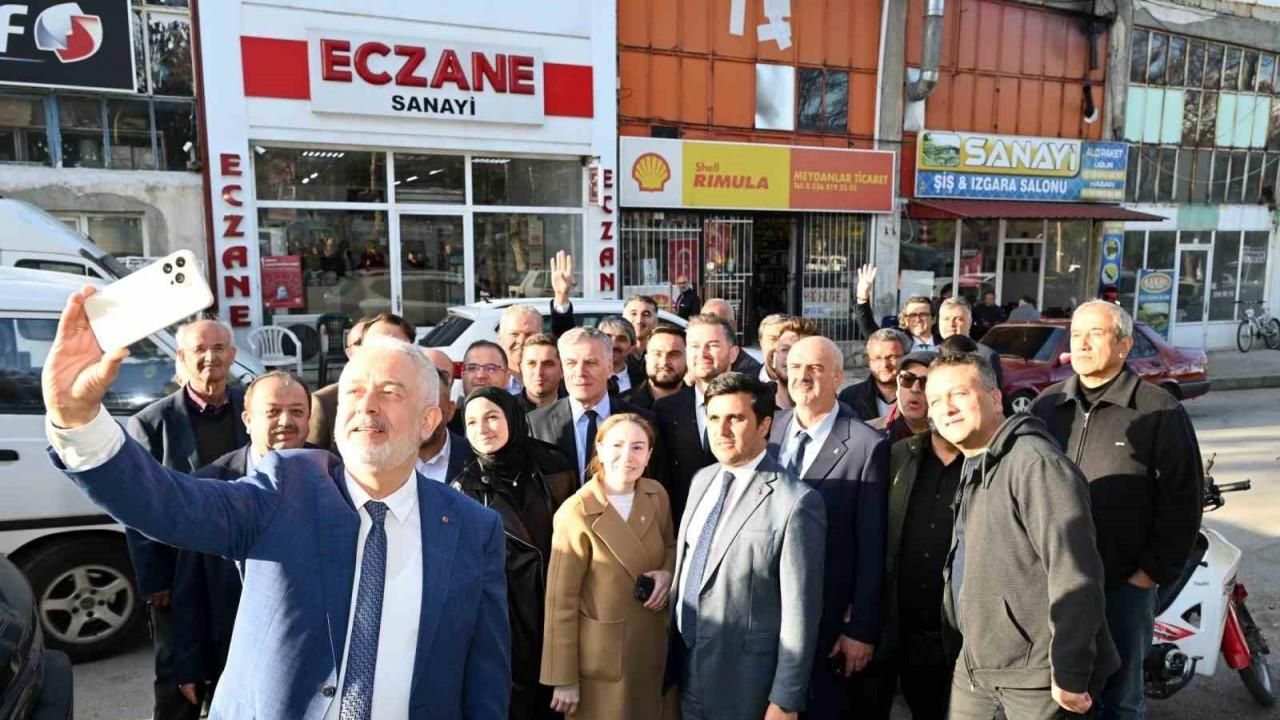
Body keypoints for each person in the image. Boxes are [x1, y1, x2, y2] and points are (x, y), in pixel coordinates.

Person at [43, 287, 512, 719]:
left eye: (389, 392)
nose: (366, 405)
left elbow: (485, 677)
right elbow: (168, 505)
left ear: (429, 420)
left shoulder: (474, 528)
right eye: (354, 390)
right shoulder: (285, 487)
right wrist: (78, 420)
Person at [1029, 301, 1203, 720]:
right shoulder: (1047, 405)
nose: (1082, 343)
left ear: (1124, 345)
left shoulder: (1158, 409)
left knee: (1121, 699)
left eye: (1096, 333)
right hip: (1055, 586)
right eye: (1076, 335)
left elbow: (1183, 501)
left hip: (1123, 588)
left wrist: (1149, 574)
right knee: (1057, 694)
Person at [926, 352, 1119, 720]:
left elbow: (1075, 573)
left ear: (995, 398)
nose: (946, 409)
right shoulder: (976, 460)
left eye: (959, 394)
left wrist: (1070, 670)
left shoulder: (1036, 464)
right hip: (975, 667)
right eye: (935, 401)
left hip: (1034, 678)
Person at [666, 372, 826, 720]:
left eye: (735, 419)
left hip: (747, 684)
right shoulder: (702, 480)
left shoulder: (796, 502)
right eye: (713, 418)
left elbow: (801, 613)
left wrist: (786, 699)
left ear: (764, 425)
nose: (721, 431)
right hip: (685, 667)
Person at [122, 318, 248, 720]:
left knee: (240, 669)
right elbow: (138, 506)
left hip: (241, 567)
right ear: (181, 357)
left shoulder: (252, 408)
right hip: (179, 571)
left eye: (219, 348)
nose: (210, 357)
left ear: (232, 355)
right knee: (179, 680)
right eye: (199, 349)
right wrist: (154, 578)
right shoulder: (151, 423)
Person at [172, 371, 315, 711]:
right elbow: (191, 583)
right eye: (273, 411)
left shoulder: (335, 476)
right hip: (233, 654)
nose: (286, 421)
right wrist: (190, 663)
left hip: (311, 658)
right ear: (248, 420)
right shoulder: (211, 484)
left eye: (297, 411)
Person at [770, 337, 889, 718]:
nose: (802, 376)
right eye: (795, 367)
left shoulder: (867, 445)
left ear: (838, 377)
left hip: (828, 623)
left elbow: (873, 544)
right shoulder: (768, 429)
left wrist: (861, 628)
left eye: (816, 368)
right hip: (767, 618)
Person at [541, 414, 676, 719]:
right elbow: (560, 602)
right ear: (599, 449)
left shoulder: (657, 496)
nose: (627, 456)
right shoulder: (575, 512)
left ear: (649, 455)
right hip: (602, 664)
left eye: (638, 447)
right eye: (617, 445)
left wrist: (667, 574)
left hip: (654, 651)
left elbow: (670, 547)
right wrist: (563, 678)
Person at [454, 388, 577, 720]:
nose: (482, 429)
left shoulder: (555, 468)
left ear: (512, 417)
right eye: (471, 422)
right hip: (506, 634)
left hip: (559, 619)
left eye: (492, 417)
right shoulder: (463, 490)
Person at [851, 409, 965, 719]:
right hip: (897, 629)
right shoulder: (899, 456)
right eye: (936, 398)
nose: (945, 407)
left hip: (955, 639)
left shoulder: (985, 462)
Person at [526, 327, 654, 484]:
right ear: (562, 369)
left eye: (590, 363)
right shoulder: (536, 424)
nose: (580, 372)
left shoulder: (643, 422)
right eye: (571, 363)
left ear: (609, 367)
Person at [652, 314, 737, 525]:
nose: (702, 353)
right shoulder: (665, 410)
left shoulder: (755, 406)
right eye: (695, 346)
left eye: (712, 345)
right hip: (681, 527)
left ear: (733, 353)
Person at [309, 312, 416, 452]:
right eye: (376, 347)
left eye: (396, 347)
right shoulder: (325, 403)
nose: (385, 354)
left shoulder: (423, 396)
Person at [417, 348, 474, 483]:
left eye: (432, 410)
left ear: (450, 411)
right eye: (415, 407)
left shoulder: (474, 460)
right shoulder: (385, 458)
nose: (423, 419)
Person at [853, 265, 940, 351]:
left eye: (923, 314)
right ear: (905, 320)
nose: (918, 319)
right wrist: (862, 298)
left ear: (933, 319)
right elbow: (871, 331)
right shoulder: (898, 345)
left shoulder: (943, 345)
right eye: (912, 315)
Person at [837, 329, 907, 422]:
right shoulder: (848, 397)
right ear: (868, 360)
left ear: (906, 357)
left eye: (892, 357)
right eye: (878, 358)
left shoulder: (920, 395)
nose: (884, 364)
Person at [937, 297, 1004, 392]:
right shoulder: (930, 351)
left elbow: (994, 395)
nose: (951, 324)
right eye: (946, 319)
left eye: (958, 319)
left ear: (970, 322)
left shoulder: (985, 356)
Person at [869, 350, 935, 443]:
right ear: (897, 385)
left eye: (925, 382)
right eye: (907, 379)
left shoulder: (952, 438)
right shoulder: (869, 435)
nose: (915, 389)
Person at [449, 340, 512, 435]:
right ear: (463, 375)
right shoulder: (446, 427)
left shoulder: (524, 421)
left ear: (507, 377)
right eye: (472, 368)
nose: (480, 375)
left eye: (491, 368)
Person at [628, 326, 687, 411]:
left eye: (673, 354)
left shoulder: (701, 406)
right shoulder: (622, 405)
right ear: (646, 358)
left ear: (687, 358)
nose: (664, 362)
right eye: (657, 354)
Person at [701, 298, 763, 376]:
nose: (708, 328)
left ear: (733, 326)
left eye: (717, 323)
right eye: (703, 321)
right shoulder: (693, 363)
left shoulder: (751, 372)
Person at [770, 317, 819, 412]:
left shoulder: (834, 410)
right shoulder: (754, 405)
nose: (790, 357)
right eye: (785, 349)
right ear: (774, 358)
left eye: (801, 351)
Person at [517, 333, 566, 413]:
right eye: (531, 363)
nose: (539, 372)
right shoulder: (506, 410)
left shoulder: (577, 411)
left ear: (562, 370)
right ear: (521, 368)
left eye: (548, 364)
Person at [598, 316, 645, 397]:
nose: (613, 345)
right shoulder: (584, 375)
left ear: (631, 347)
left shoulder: (642, 382)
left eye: (621, 339)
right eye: (607, 337)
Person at [757, 313, 790, 383]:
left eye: (785, 339)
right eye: (773, 339)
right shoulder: (745, 379)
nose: (778, 346)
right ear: (761, 343)